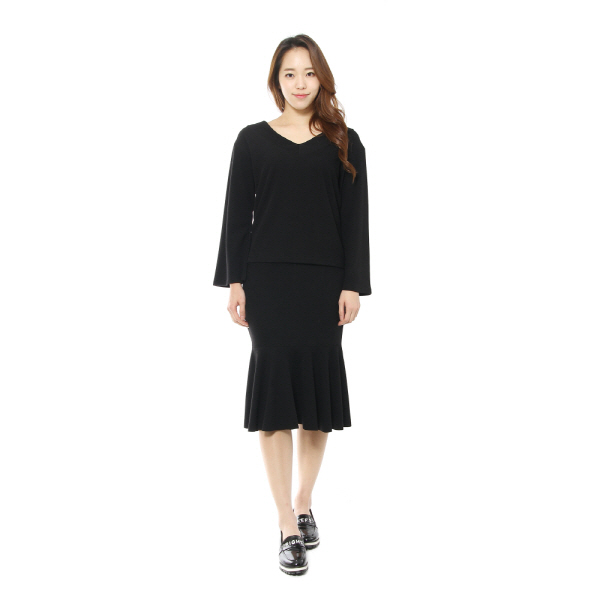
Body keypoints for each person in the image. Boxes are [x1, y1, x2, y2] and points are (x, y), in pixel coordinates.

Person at [213, 34, 372, 576]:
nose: (300, 83)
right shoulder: (251, 141)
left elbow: (355, 219)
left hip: (325, 285)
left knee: (317, 401)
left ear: (320, 77)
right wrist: (236, 281)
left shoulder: (345, 141)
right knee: (276, 398)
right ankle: (285, 523)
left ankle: (304, 501)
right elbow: (236, 215)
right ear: (275, 80)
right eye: (289, 73)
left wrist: (352, 285)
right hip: (269, 283)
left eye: (308, 72)